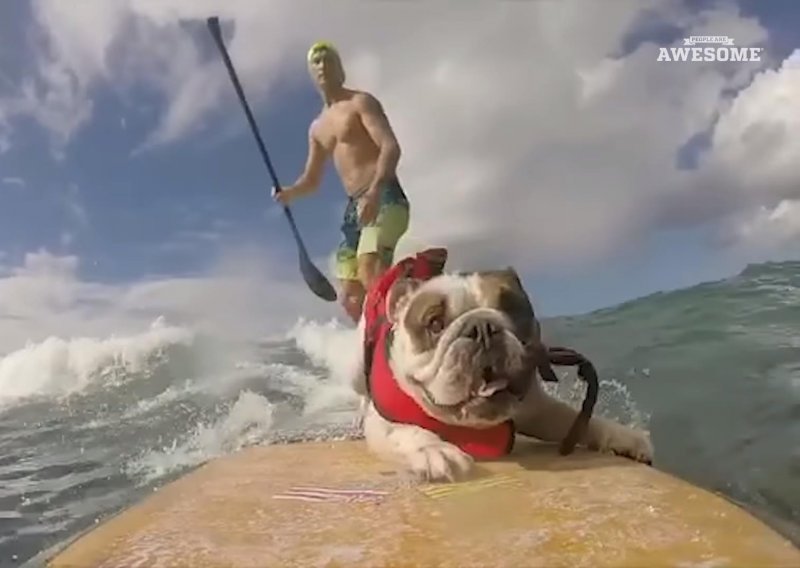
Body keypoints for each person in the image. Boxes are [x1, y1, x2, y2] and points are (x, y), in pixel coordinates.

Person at [272, 41, 410, 323]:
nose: (322, 66)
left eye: (327, 60)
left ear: (339, 68)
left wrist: (375, 191)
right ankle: (374, 348)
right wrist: (289, 193)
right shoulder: (317, 128)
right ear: (312, 73)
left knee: (368, 266)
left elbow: (390, 147)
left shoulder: (360, 102)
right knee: (350, 298)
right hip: (354, 210)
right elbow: (311, 181)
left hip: (383, 197)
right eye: (317, 62)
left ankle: (404, 331)